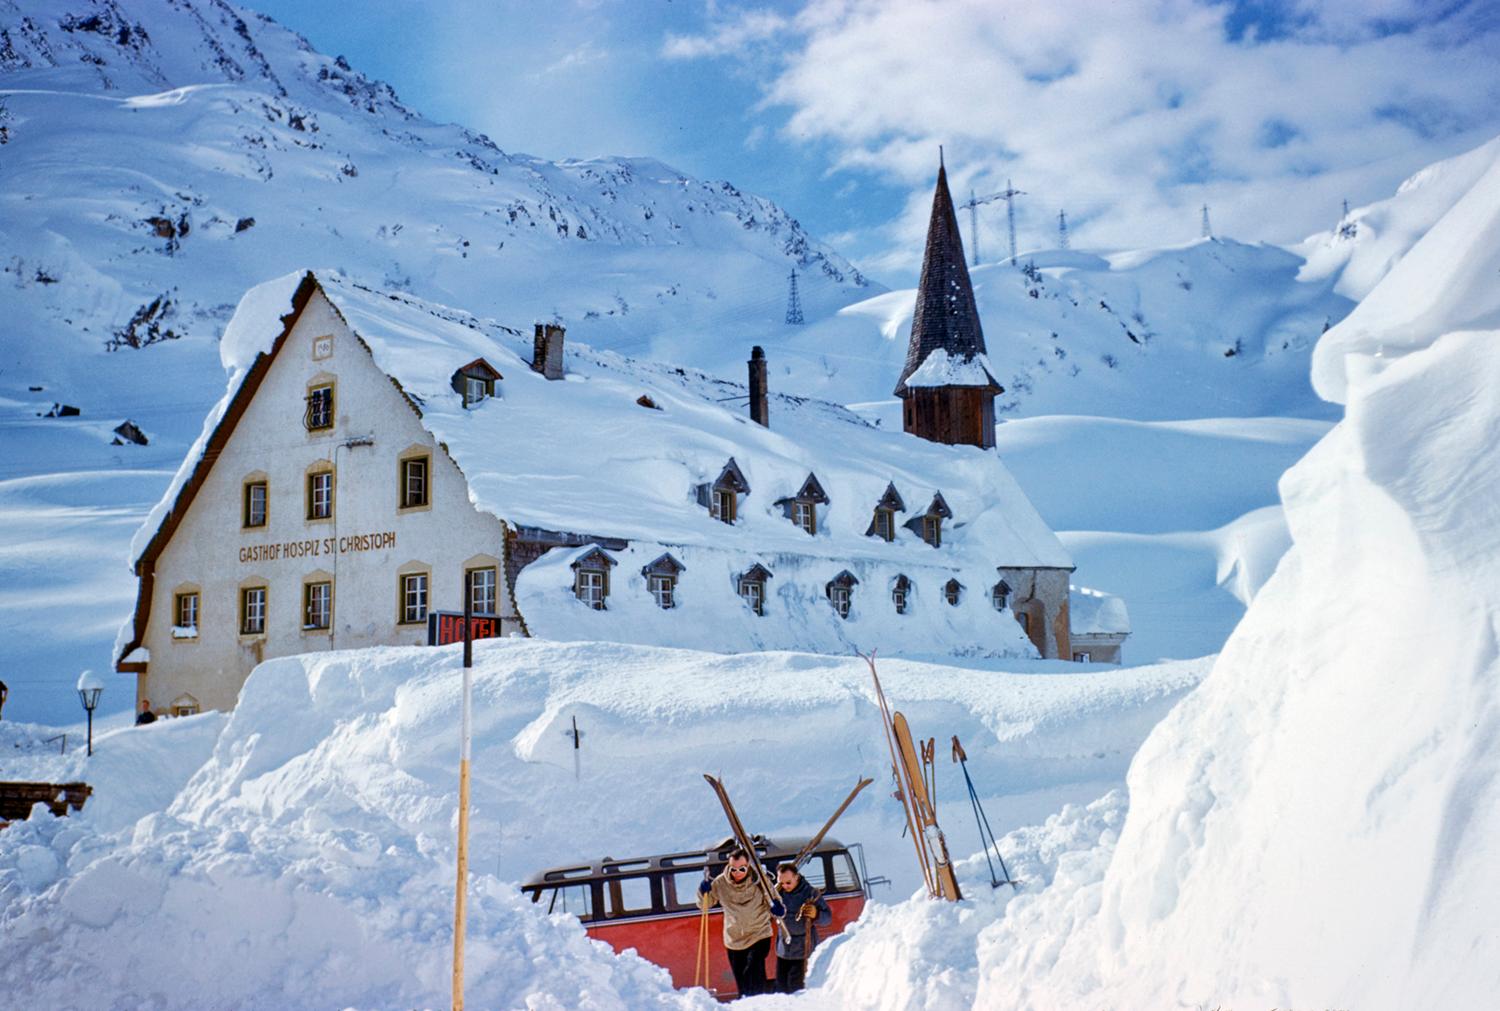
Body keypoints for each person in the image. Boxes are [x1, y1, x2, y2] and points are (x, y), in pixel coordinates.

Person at [697, 847, 783, 997]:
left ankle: (757, 1004)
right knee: (742, 982)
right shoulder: (720, 883)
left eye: (742, 869)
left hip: (759, 934)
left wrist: (777, 908)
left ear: (748, 866)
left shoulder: (760, 880)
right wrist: (703, 892)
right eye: (733, 869)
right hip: (734, 939)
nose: (737, 873)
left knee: (753, 972)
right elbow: (705, 905)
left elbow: (774, 900)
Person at [772, 862, 831, 993]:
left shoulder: (810, 893)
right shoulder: (776, 893)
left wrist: (816, 914)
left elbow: (828, 918)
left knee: (797, 989)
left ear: (796, 877)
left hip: (803, 950)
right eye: (782, 883)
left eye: (788, 883)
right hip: (784, 950)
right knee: (781, 989)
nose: (785, 886)